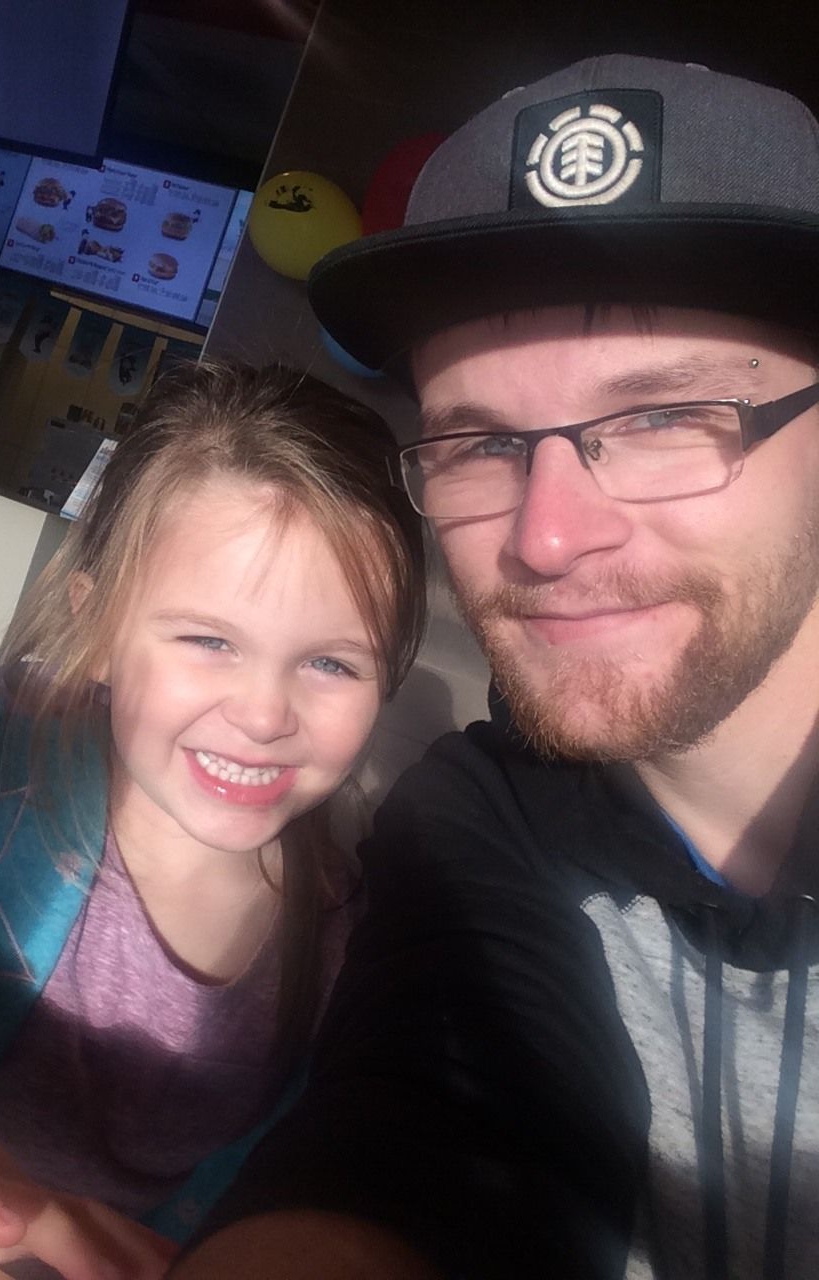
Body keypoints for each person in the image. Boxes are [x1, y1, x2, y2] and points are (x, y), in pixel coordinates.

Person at [169, 55, 819, 1280]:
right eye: (479, 442)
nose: (547, 537)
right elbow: (403, 1137)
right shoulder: (476, 819)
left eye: (661, 417)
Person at [0, 360, 425, 1278]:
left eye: (332, 663)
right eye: (209, 640)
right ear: (102, 630)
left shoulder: (355, 955)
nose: (264, 714)